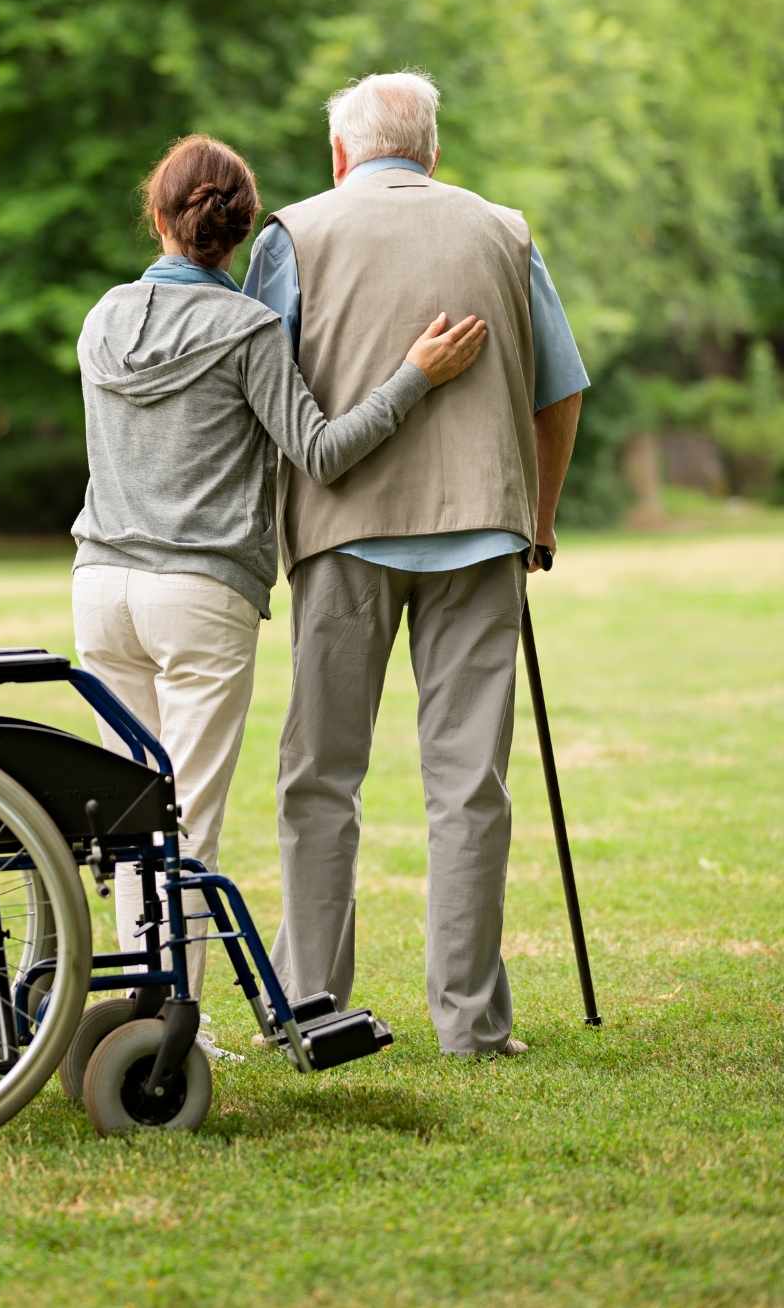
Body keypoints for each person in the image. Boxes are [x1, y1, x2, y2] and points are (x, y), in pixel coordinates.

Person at [70, 133, 486, 1055]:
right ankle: (173, 1026)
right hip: (198, 593)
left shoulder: (100, 319)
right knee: (185, 819)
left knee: (131, 813)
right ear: (243, 229)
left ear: (158, 215)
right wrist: (418, 376)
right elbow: (325, 453)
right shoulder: (246, 330)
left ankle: (144, 1008)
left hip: (99, 588)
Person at [243, 71, 588, 1056]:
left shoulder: (295, 235)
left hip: (341, 536)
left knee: (320, 776)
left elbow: (263, 394)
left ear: (342, 155)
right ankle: (472, 1025)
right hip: (483, 532)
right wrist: (541, 518)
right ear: (430, 151)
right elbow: (559, 395)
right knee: (469, 783)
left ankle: (311, 1001)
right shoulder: (503, 231)